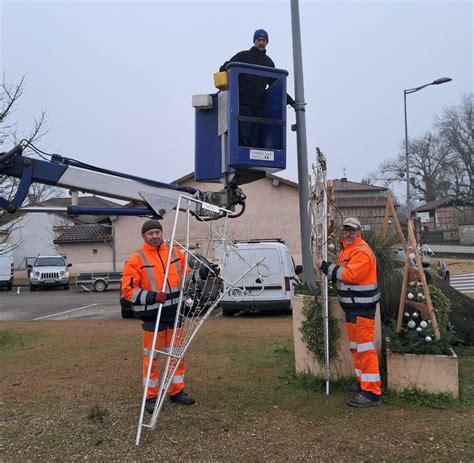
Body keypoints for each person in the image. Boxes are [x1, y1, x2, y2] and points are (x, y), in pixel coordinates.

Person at [121, 219, 195, 413]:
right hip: (153, 316)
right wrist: (152, 296)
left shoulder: (175, 253)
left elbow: (186, 276)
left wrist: (199, 273)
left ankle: (176, 391)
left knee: (176, 355)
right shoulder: (136, 259)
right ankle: (150, 396)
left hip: (176, 314)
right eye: (150, 233)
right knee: (152, 357)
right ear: (144, 236)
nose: (154, 236)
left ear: (162, 233)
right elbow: (128, 291)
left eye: (157, 232)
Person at [316, 217, 382, 407]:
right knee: (357, 348)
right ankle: (363, 383)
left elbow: (350, 275)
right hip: (353, 308)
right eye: (346, 230)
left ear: (359, 231)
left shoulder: (361, 251)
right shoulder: (348, 250)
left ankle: (372, 393)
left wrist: (326, 267)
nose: (349, 233)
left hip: (362, 308)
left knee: (365, 349)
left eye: (352, 230)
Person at [219, 28, 295, 147]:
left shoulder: (269, 63)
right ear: (254, 41)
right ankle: (242, 160)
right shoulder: (244, 56)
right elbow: (226, 66)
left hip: (258, 106)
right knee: (244, 134)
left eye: (263, 40)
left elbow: (276, 85)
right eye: (259, 39)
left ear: (266, 42)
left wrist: (291, 101)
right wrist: (223, 72)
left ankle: (251, 162)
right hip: (243, 104)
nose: (261, 42)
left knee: (254, 137)